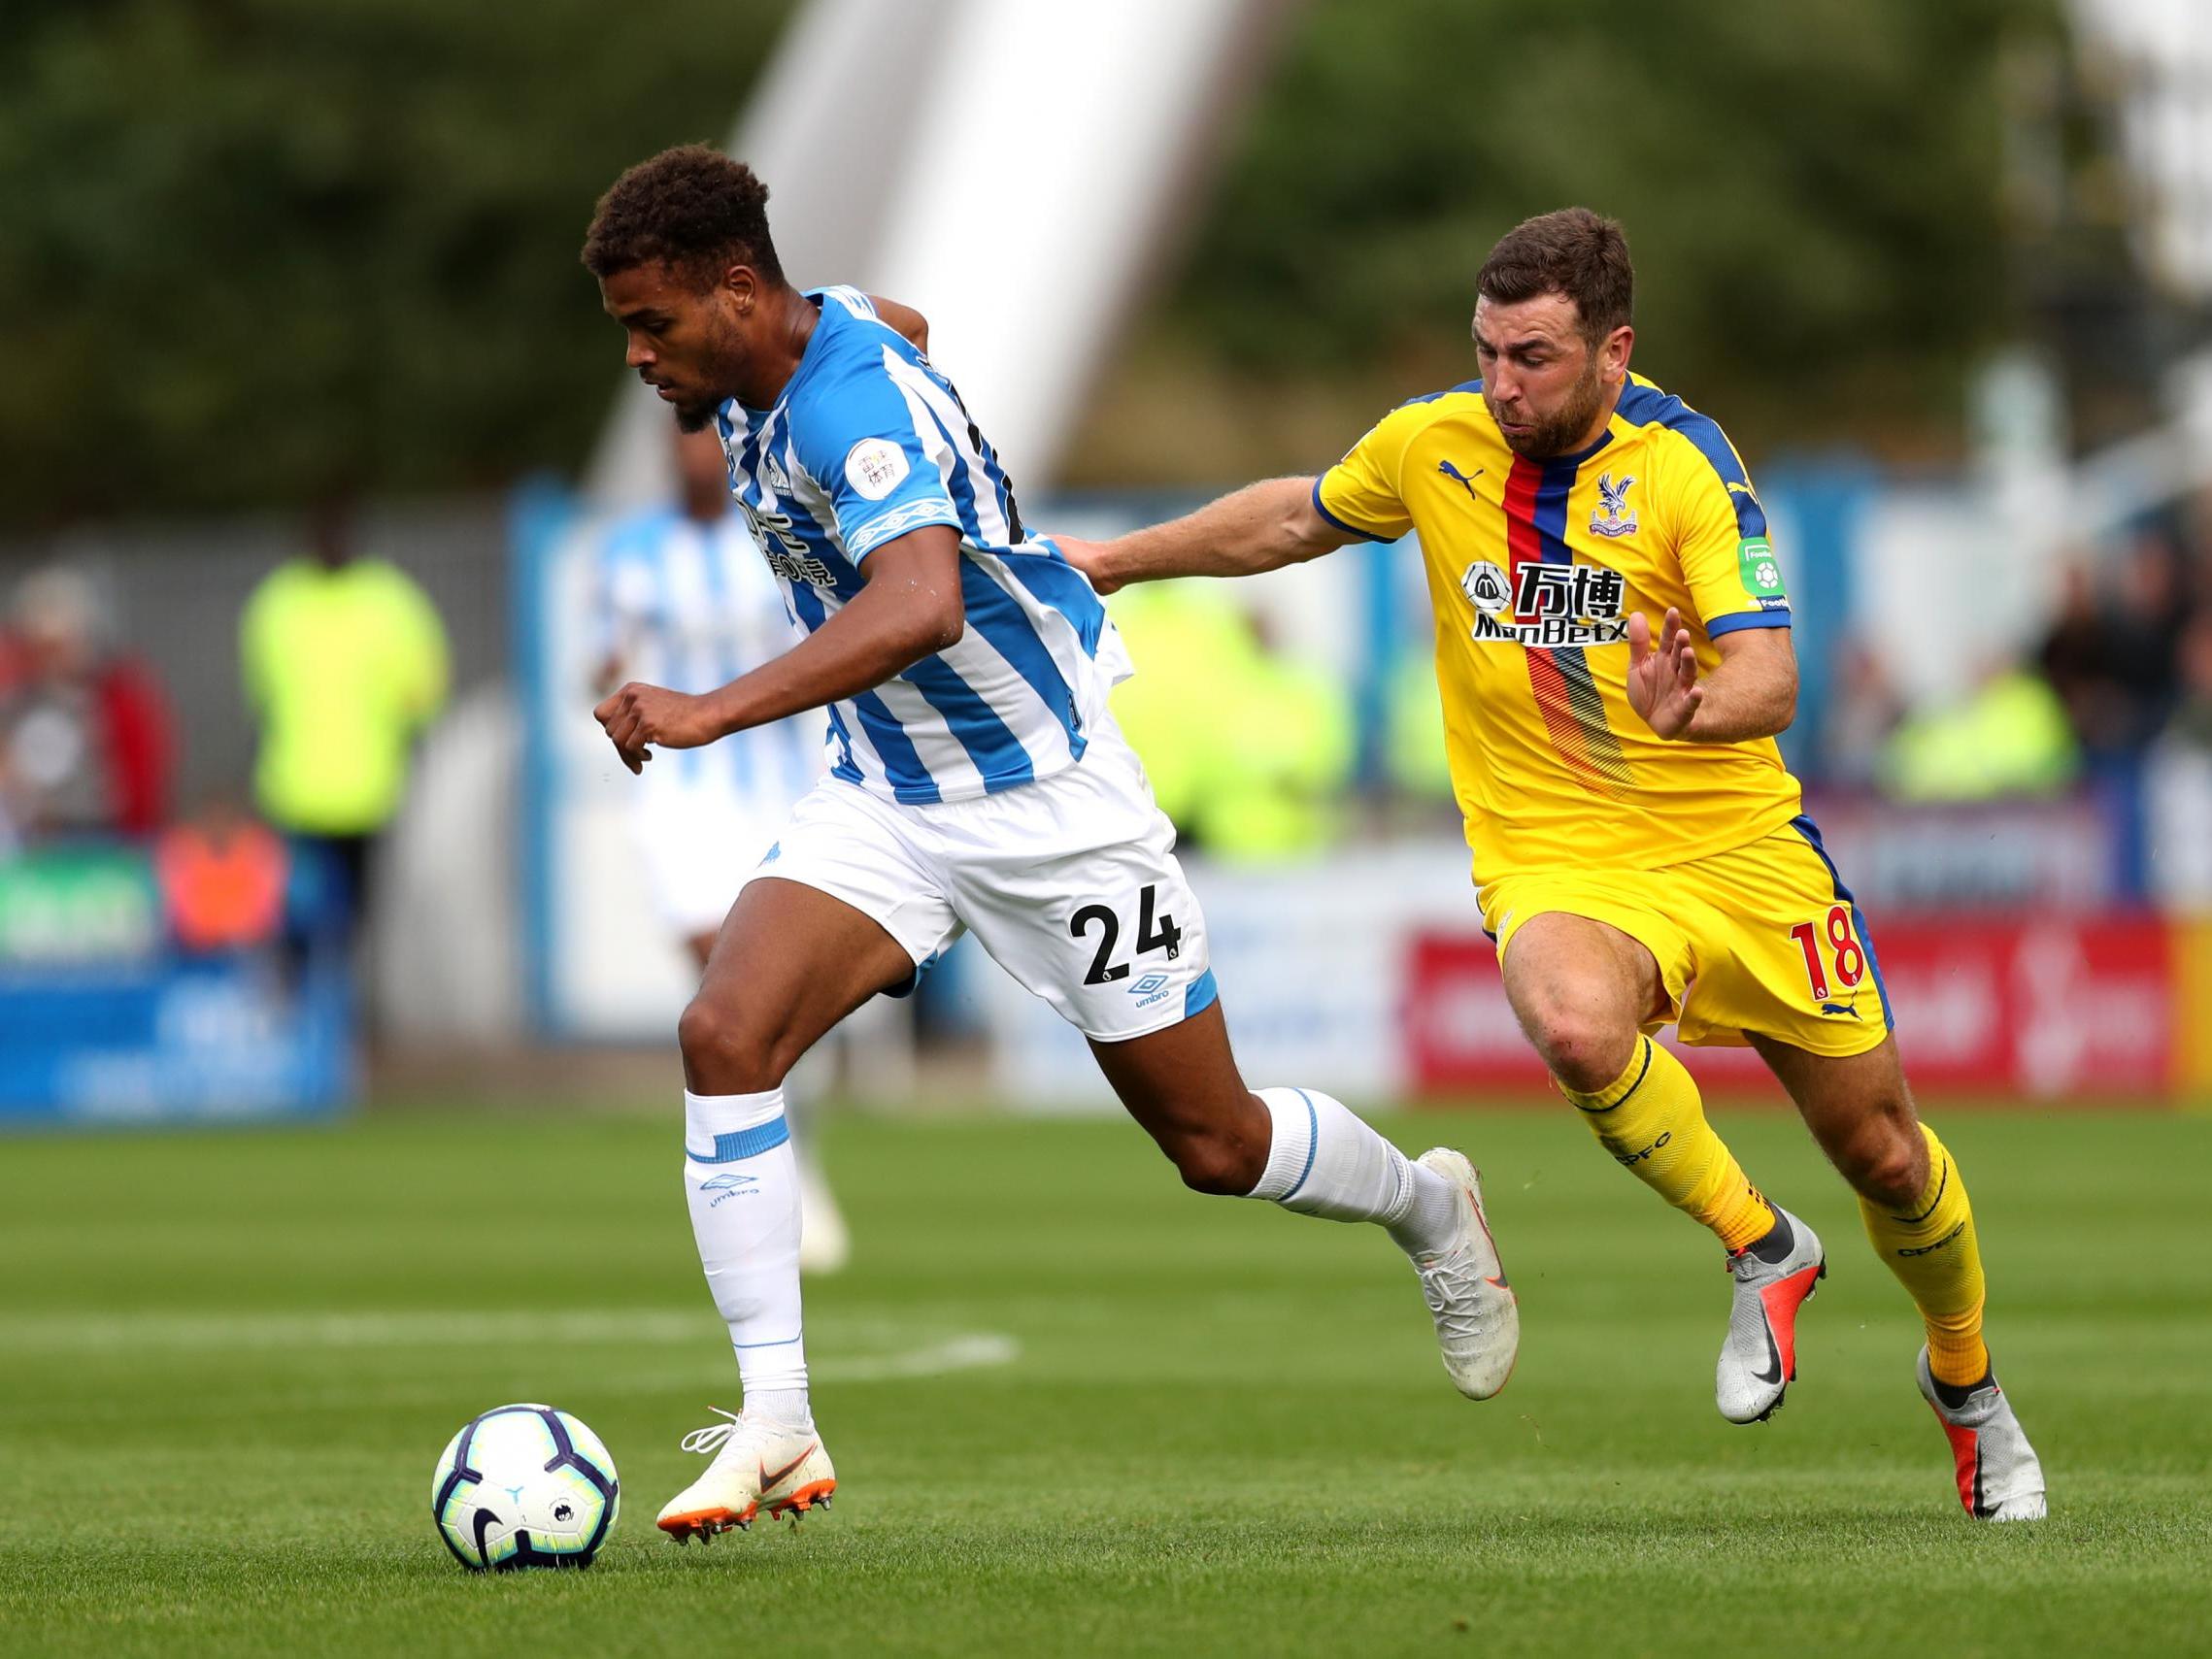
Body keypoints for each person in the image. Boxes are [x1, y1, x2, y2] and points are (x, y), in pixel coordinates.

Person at [580, 145, 1517, 1541]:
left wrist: (710, 710)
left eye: (653, 325)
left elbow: (920, 609)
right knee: (725, 1033)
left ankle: (1430, 1212)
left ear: (733, 289)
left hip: (1052, 806)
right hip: (891, 798)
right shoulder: (782, 351)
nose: (642, 360)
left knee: (1213, 1140)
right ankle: (776, 1417)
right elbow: (900, 321)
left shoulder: (845, 415)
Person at [1057, 209, 2046, 1523]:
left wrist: (1689, 706)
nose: (1500, 385)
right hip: (1557, 859)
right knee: (1573, 1025)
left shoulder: (1686, 468)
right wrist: (1114, 560)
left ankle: (1967, 1389)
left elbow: (1770, 674)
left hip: (1736, 851)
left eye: (1530, 357)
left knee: (1884, 1154)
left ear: (1611, 351)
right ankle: (1761, 1245)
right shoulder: (1432, 443)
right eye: (1485, 353)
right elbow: (1296, 519)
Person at [593, 421, 851, 1274]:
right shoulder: (631, 552)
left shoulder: (770, 539)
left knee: (767, 992)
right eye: (683, 444)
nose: (698, 457)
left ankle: (794, 1165)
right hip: (681, 802)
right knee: (720, 980)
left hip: (778, 788)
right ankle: (768, 1175)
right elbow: (601, 660)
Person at [240, 502, 449, 946]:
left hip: (357, 794)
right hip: (306, 793)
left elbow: (259, 696)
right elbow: (425, 691)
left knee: (342, 916)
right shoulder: (385, 600)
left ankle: (336, 1002)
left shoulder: (281, 601)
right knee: (310, 915)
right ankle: (327, 1002)